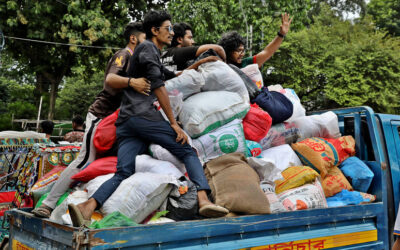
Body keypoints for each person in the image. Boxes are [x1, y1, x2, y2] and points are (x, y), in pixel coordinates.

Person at [68, 10, 229, 227]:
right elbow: (159, 86)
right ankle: (202, 199)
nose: (172, 33)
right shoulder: (148, 48)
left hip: (126, 123)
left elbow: (169, 75)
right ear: (154, 31)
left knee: (124, 171)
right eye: (168, 28)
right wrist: (173, 123)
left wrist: (200, 64)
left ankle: (87, 207)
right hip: (142, 117)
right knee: (187, 150)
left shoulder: (149, 52)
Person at [31, 22, 150, 218]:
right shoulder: (124, 55)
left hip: (118, 122)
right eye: (145, 39)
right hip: (101, 117)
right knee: (84, 160)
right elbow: (111, 80)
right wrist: (132, 82)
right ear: (133, 38)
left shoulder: (138, 62)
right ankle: (49, 204)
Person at [218, 13, 292, 68]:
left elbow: (267, 52)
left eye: (243, 51)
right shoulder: (218, 65)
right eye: (239, 50)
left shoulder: (246, 64)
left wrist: (281, 34)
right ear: (228, 50)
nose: (242, 54)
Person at [161, 22, 226, 72]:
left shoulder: (161, 54)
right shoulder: (181, 52)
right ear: (180, 39)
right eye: (190, 38)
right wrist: (225, 64)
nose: (193, 41)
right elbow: (219, 49)